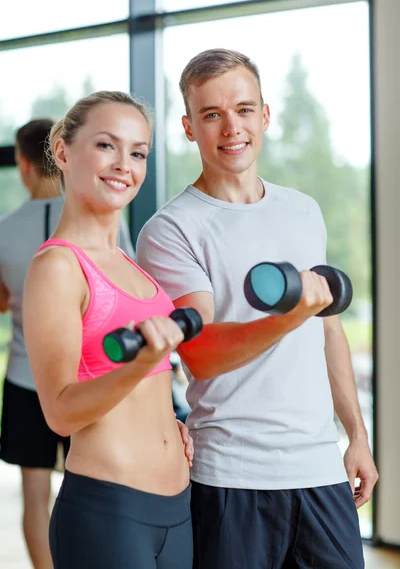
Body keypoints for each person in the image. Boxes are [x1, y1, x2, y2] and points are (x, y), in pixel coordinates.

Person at [136, 48, 379, 569]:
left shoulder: (302, 210)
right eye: (212, 114)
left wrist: (356, 435)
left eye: (244, 109)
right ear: (188, 127)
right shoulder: (171, 230)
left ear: (264, 115)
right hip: (232, 477)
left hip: (319, 471)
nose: (232, 128)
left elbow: (328, 329)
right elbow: (200, 353)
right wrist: (290, 315)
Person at [22, 91, 194, 569]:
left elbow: (150, 389)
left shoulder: (130, 263)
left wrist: (173, 424)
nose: (124, 165)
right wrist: (136, 366)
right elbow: (60, 413)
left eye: (138, 152)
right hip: (110, 513)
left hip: (178, 507)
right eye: (105, 146)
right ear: (62, 152)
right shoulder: (58, 267)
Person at [0, 118, 137, 569]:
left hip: (26, 381)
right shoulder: (99, 223)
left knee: (36, 495)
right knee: (100, 489)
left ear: (22, 165)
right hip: (93, 380)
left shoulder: (4, 230)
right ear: (61, 156)